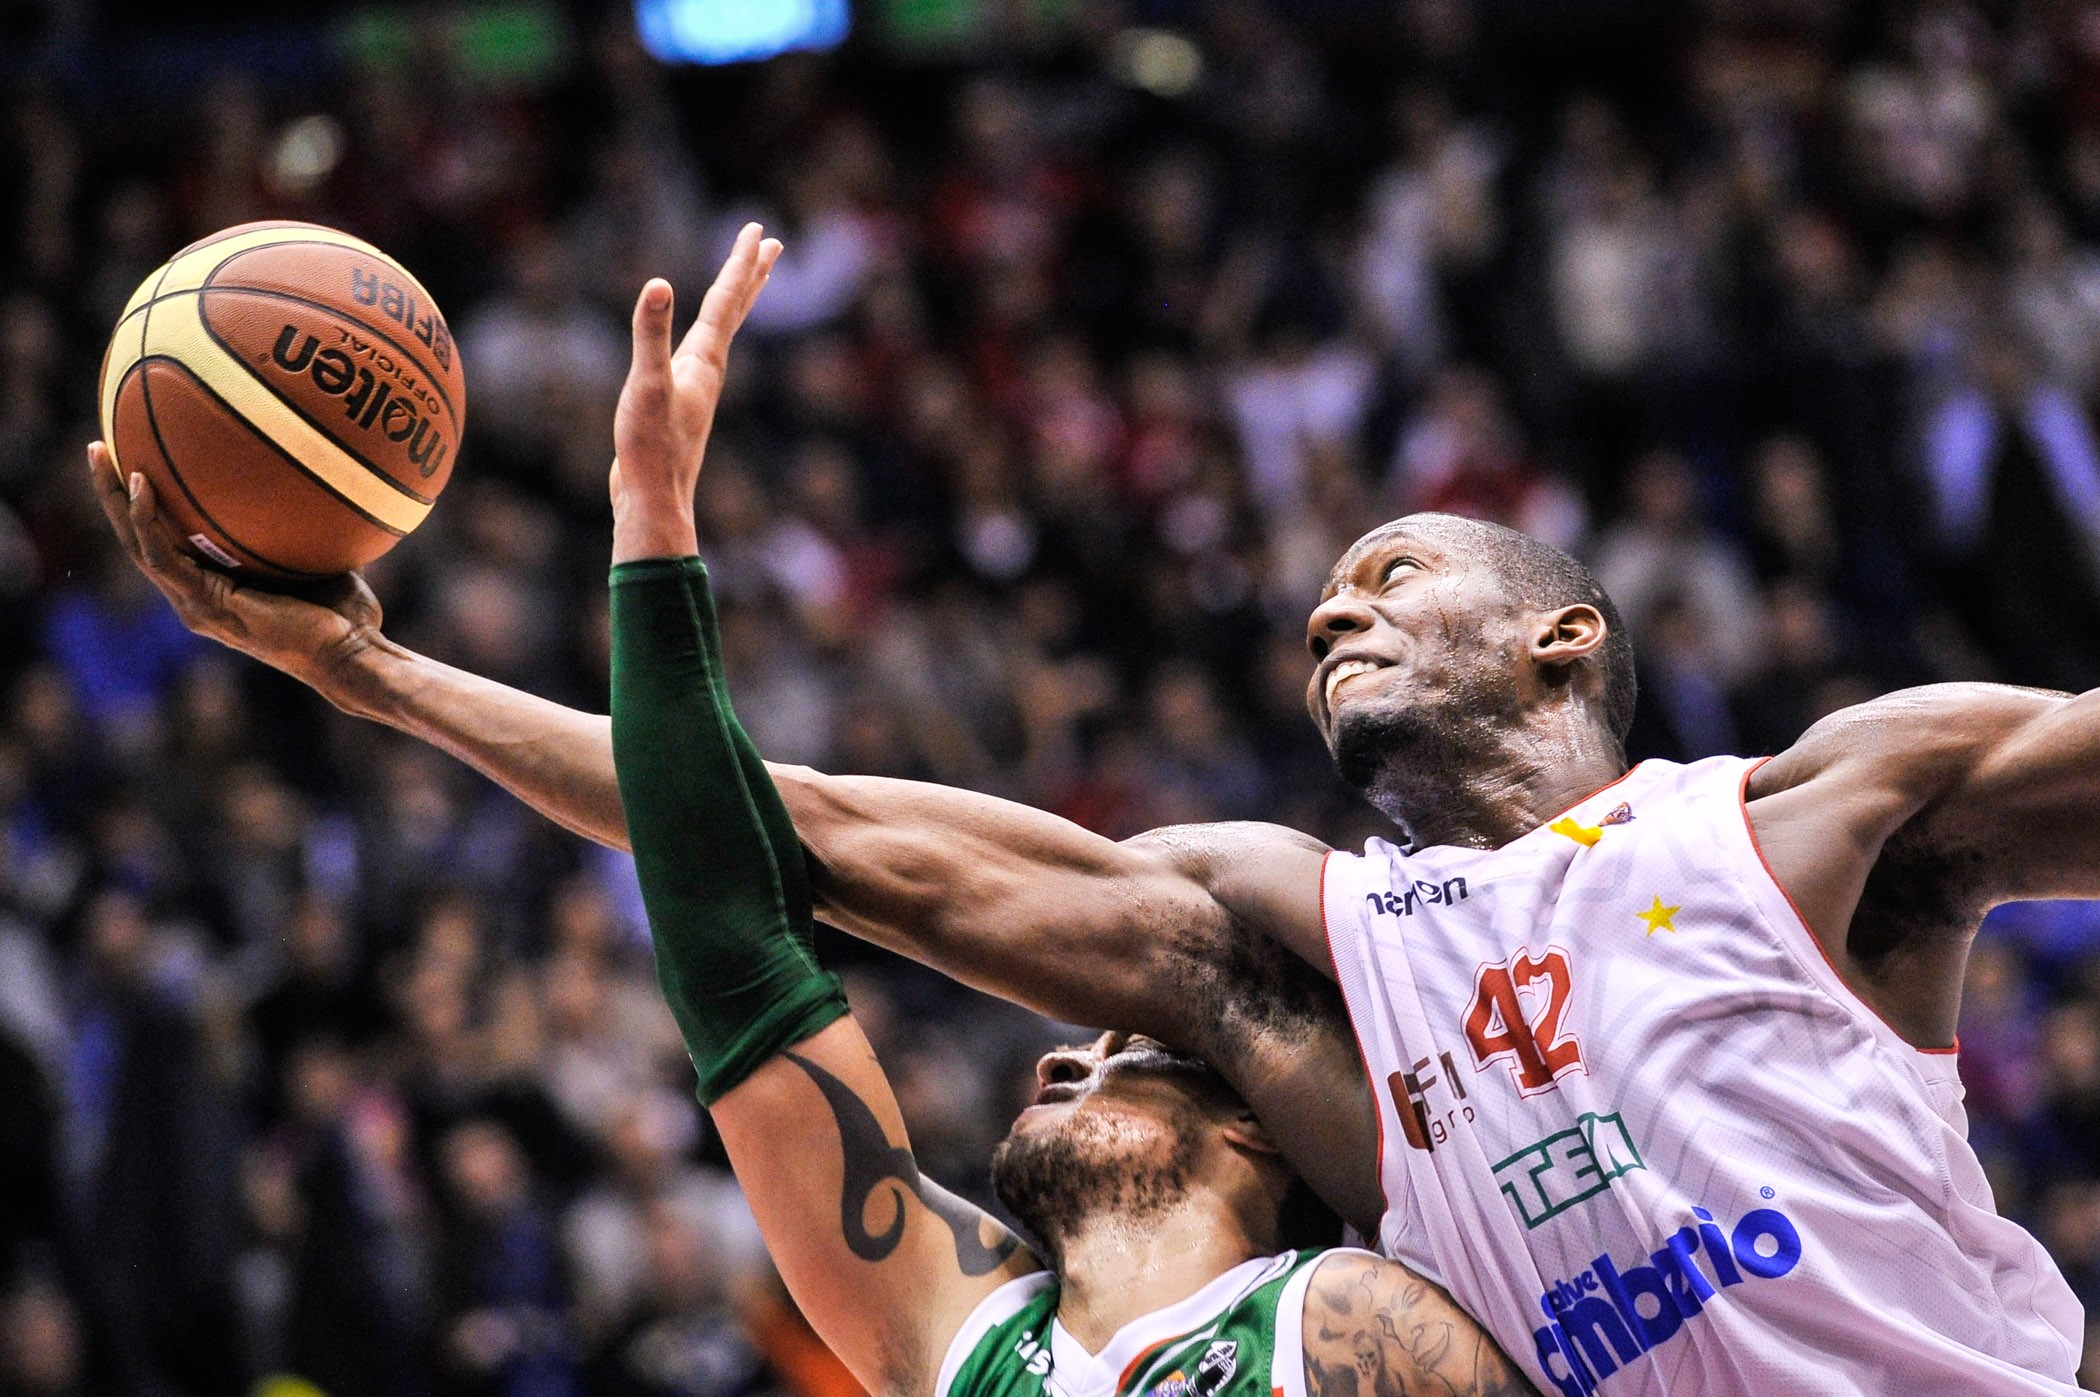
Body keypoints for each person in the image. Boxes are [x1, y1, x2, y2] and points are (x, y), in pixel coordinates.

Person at [91, 224, 2097, 1393]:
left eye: (1397, 567)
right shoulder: (1291, 970)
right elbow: (776, 834)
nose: (1337, 597)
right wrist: (362, 670)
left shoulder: (1828, 813)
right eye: (1328, 587)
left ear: (1564, 637)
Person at [593, 224, 1531, 1397]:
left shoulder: (1333, 1317)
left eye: (1119, 1050)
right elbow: (731, 954)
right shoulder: (969, 1343)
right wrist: (651, 523)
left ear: (1258, 1125)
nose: (1054, 1055)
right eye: (1102, 1048)